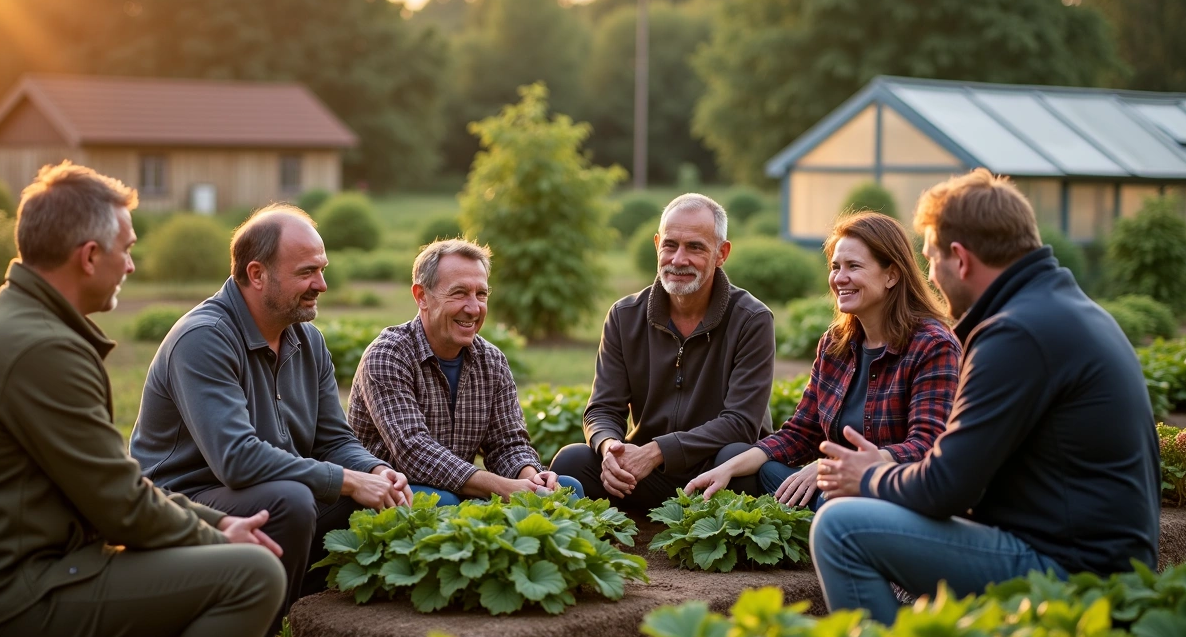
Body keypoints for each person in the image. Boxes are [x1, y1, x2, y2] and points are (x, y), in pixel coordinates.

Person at [0, 162, 286, 637]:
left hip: (28, 572)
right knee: (254, 574)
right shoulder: (42, 348)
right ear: (90, 256)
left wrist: (221, 521)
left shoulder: (12, 315)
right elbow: (121, 509)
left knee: (238, 559)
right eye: (127, 248)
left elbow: (114, 486)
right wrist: (221, 540)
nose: (132, 265)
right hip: (13, 595)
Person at [808, 169, 1161, 623]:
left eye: (931, 259)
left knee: (839, 526)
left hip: (1073, 575)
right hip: (1101, 562)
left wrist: (871, 475)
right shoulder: (1064, 310)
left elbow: (945, 488)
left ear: (960, 259)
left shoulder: (1016, 334)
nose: (930, 276)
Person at [130, 205, 411, 637]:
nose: (321, 284)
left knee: (365, 497)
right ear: (257, 274)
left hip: (262, 494)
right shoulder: (203, 339)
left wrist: (375, 471)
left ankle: (306, 620)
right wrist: (346, 480)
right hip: (186, 503)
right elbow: (236, 459)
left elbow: (333, 440)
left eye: (322, 269)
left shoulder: (308, 341)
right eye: (306, 272)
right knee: (292, 501)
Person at [685, 211, 959, 507]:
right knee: (736, 458)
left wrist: (833, 467)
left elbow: (927, 446)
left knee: (833, 500)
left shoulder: (932, 345)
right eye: (835, 267)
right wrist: (726, 468)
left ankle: (827, 520)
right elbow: (801, 433)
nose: (840, 278)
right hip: (833, 487)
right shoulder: (835, 344)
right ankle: (814, 515)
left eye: (854, 266)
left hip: (892, 493)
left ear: (891, 275)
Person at [551, 193, 776, 512]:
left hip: (713, 473)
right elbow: (602, 407)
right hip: (644, 473)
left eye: (695, 247)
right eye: (670, 245)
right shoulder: (624, 316)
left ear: (721, 253)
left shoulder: (752, 319)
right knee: (571, 461)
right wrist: (609, 447)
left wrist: (658, 451)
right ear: (657, 245)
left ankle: (704, 525)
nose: (679, 259)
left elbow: (741, 422)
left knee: (737, 457)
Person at [346, 239, 578, 504]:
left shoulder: (491, 360)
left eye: (481, 294)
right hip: (390, 491)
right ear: (422, 296)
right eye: (459, 293)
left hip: (462, 490)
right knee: (443, 502)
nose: (474, 308)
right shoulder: (388, 355)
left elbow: (507, 443)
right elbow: (413, 451)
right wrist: (502, 487)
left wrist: (532, 478)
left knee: (569, 489)